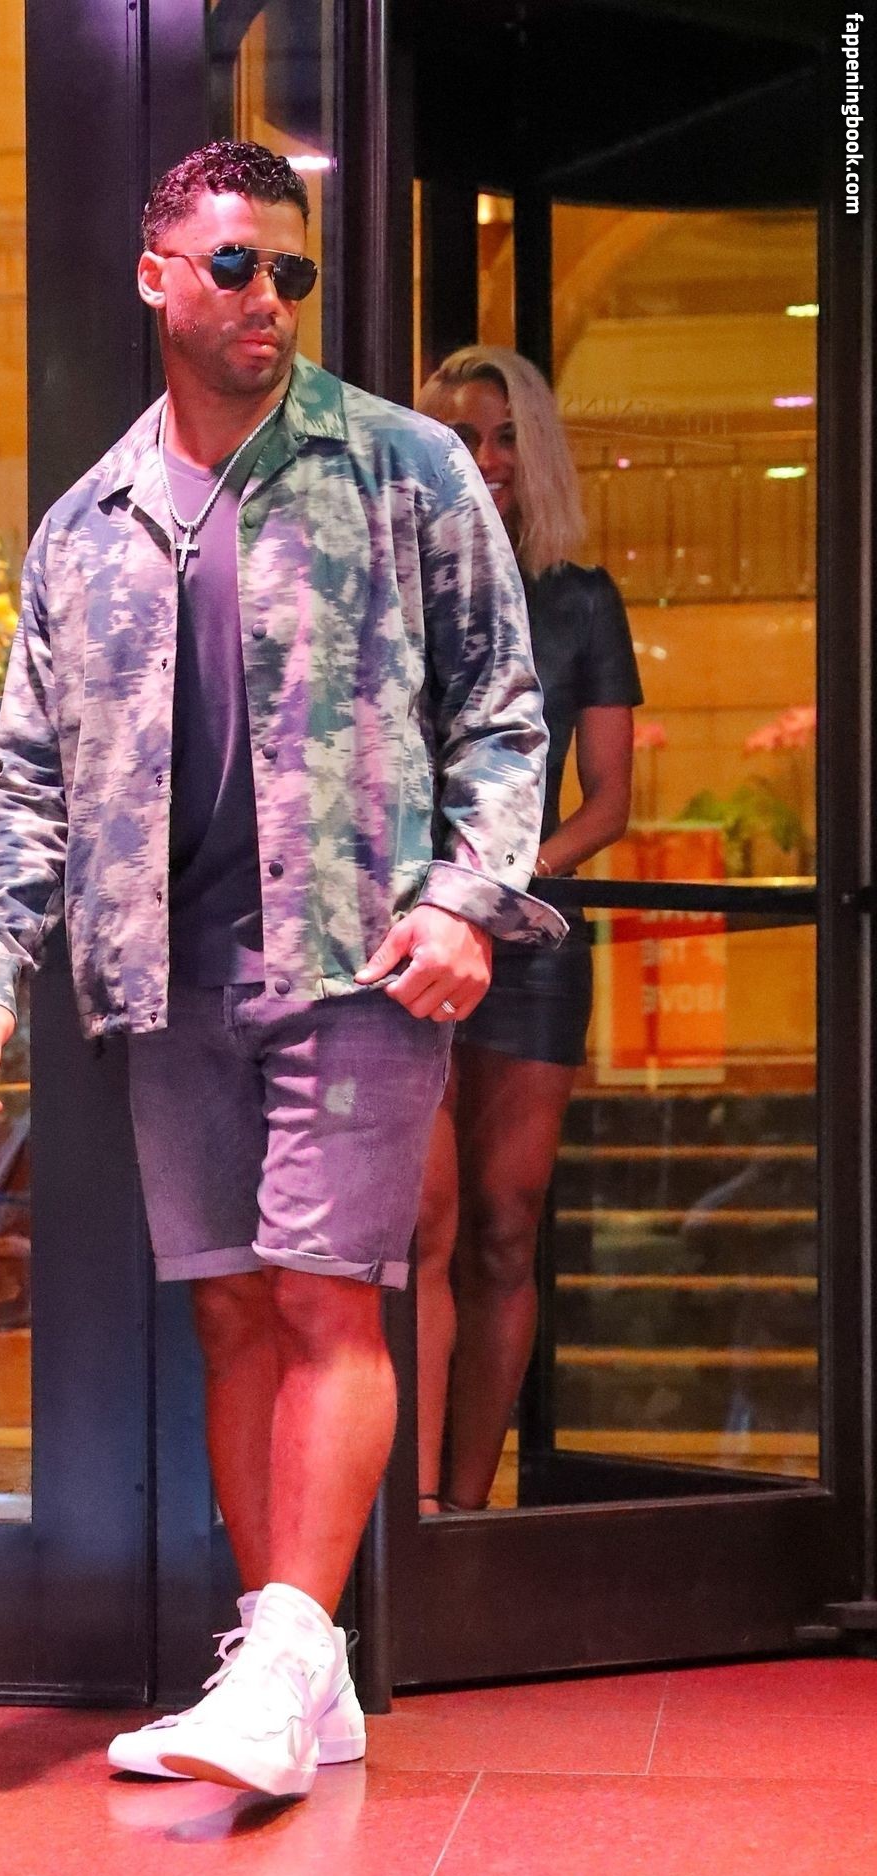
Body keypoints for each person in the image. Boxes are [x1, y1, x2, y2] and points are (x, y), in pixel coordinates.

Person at [0, 142, 564, 1800]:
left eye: (290, 270)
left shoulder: (406, 467)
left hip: (358, 959)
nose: (267, 296)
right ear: (157, 276)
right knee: (229, 1312)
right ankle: (296, 1671)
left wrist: (466, 902)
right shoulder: (87, 526)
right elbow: (31, 779)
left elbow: (504, 714)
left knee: (324, 1294)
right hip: (167, 976)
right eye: (233, 265)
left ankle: (279, 1668)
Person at [412, 346, 641, 1516]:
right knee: (420, 1228)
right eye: (461, 437)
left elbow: (608, 801)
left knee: (503, 1229)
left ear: (533, 451)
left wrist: (506, 879)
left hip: (530, 943)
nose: (485, 458)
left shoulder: (578, 598)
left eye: (504, 437)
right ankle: (407, 1524)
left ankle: (465, 1510)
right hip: (409, 940)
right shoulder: (394, 582)